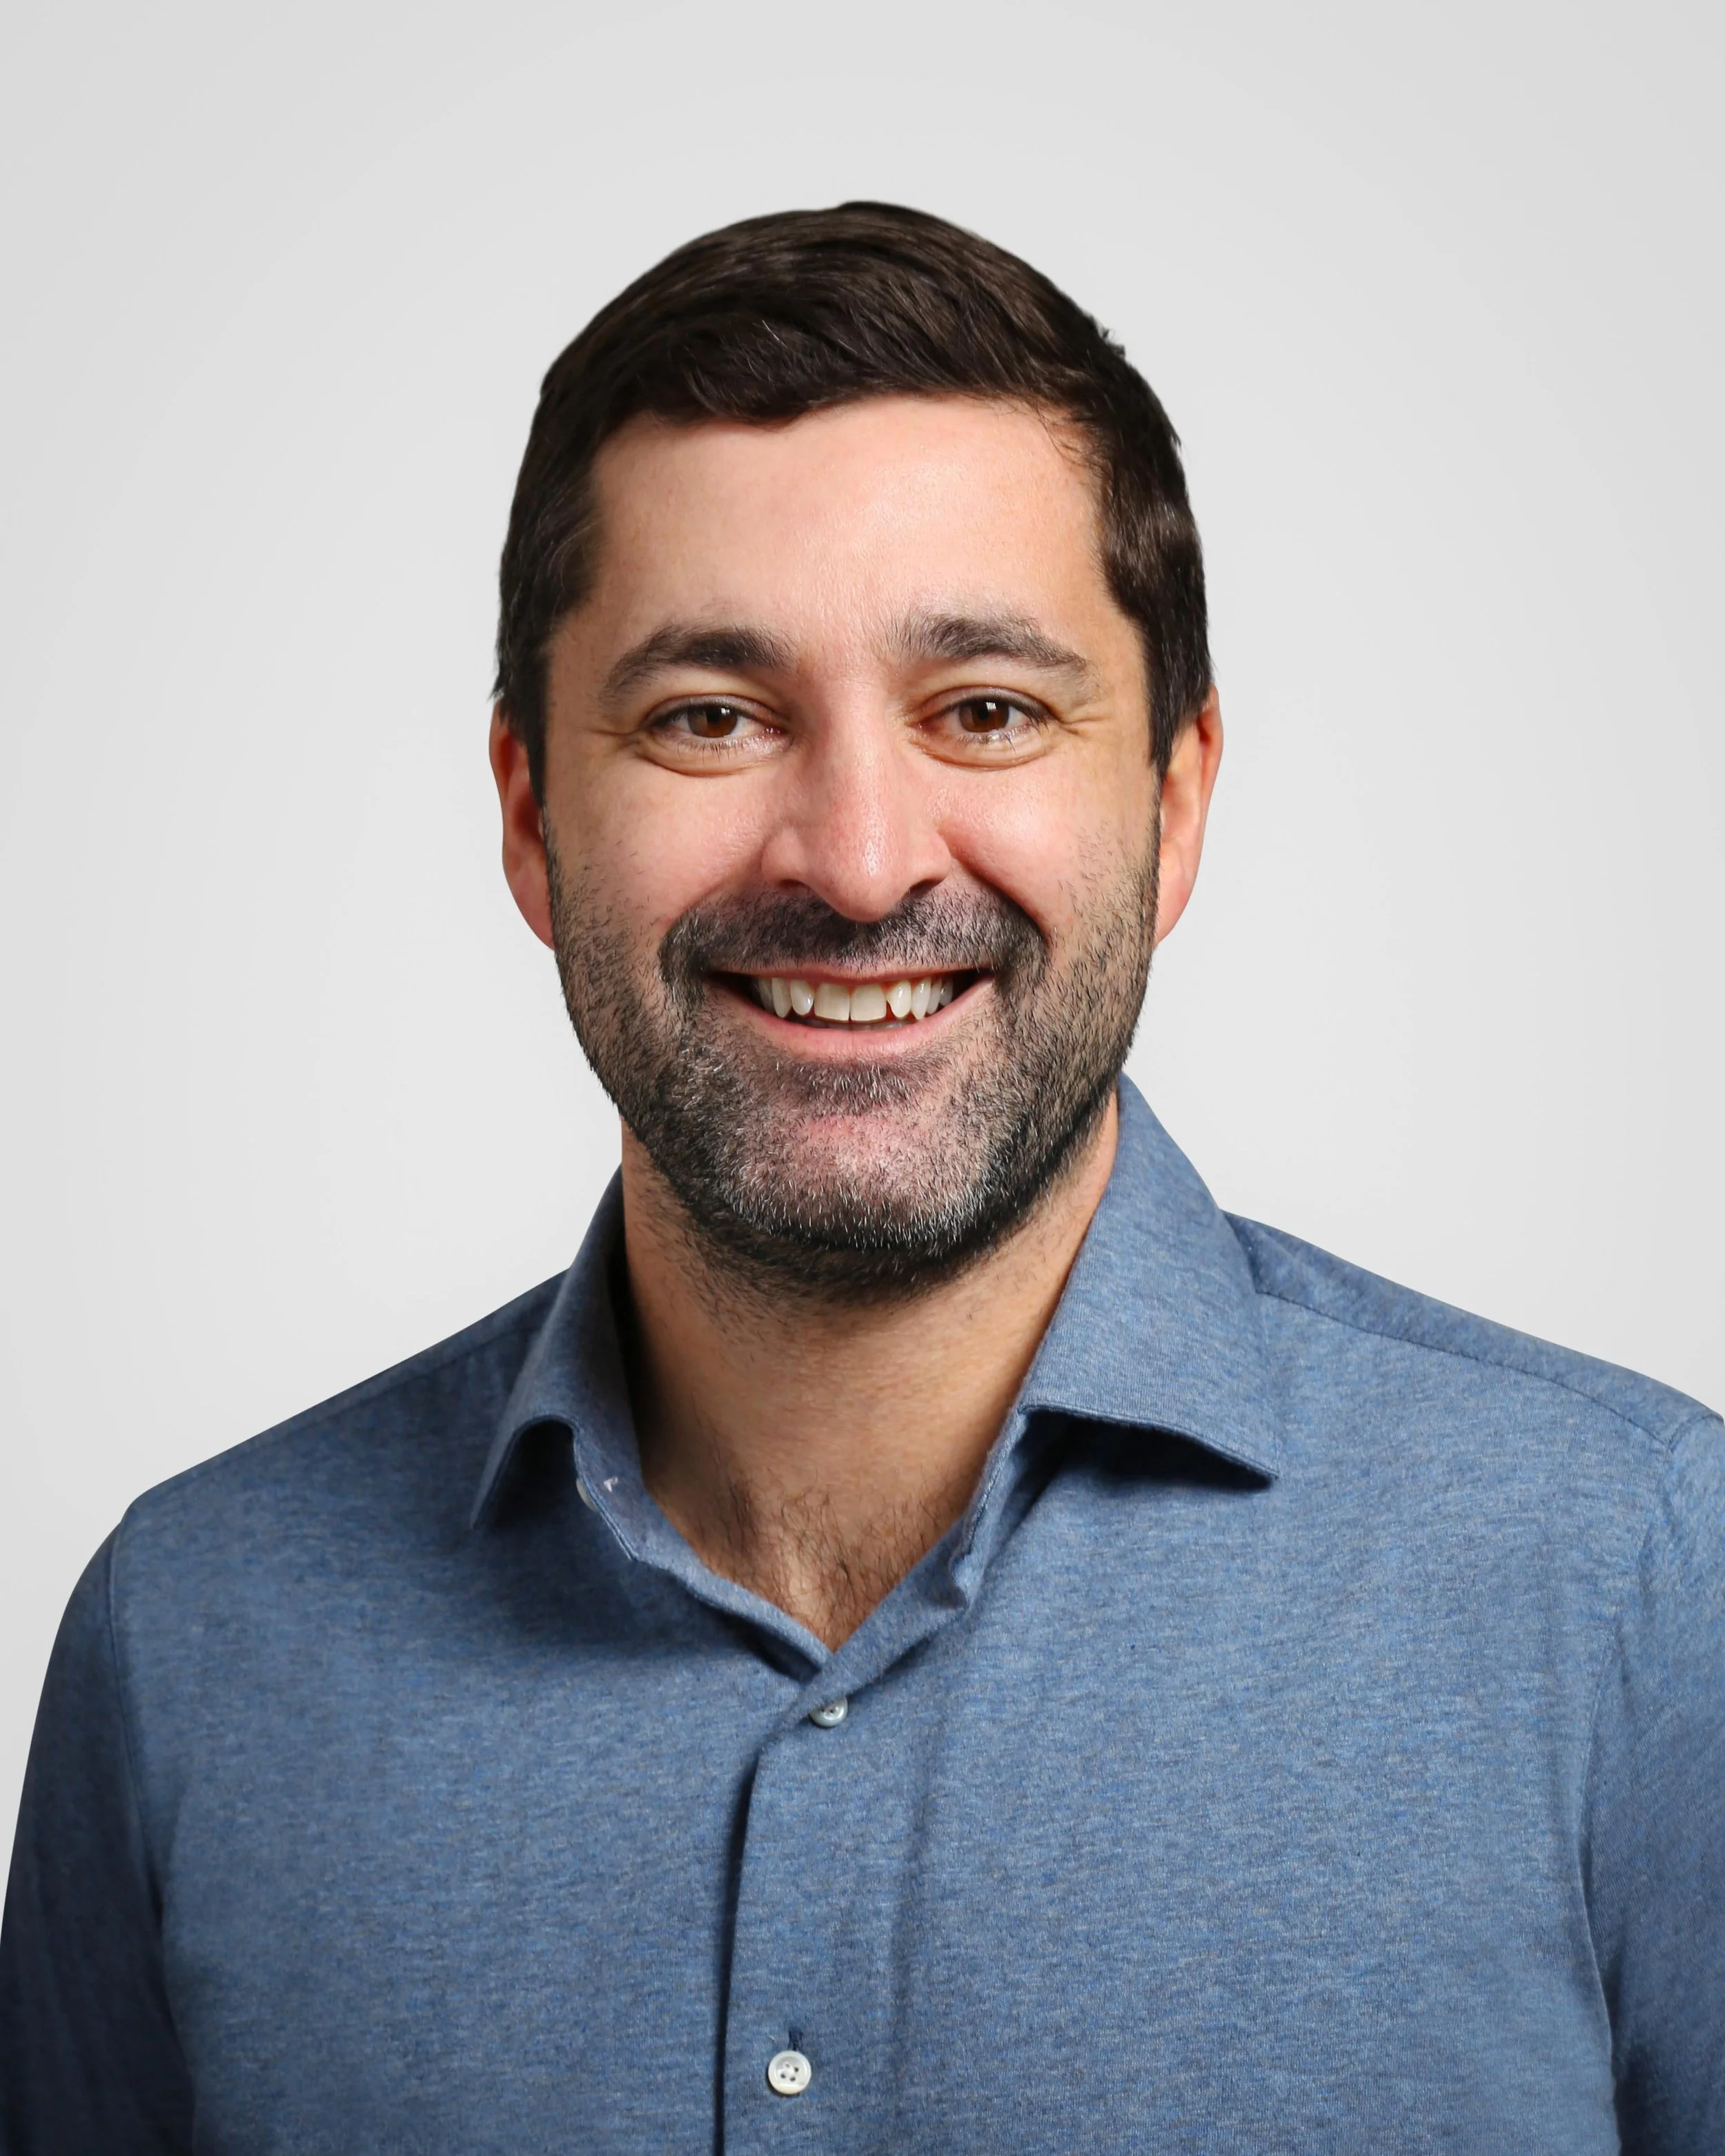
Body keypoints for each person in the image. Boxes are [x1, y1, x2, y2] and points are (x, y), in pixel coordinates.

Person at [1, 201, 1719, 2155]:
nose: (854, 853)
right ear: (529, 818)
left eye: (983, 708)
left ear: (1170, 805)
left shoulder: (1638, 1587)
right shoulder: (194, 1638)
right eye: (708, 716)